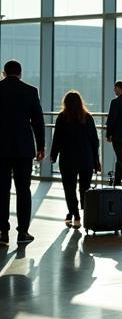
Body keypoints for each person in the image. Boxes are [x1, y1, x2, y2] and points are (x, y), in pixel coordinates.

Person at [0, 59, 45, 246]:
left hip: (0, 149)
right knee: (23, 190)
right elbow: (38, 122)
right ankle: (23, 232)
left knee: (1, 190)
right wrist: (40, 146)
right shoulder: (30, 91)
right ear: (20, 73)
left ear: (4, 73)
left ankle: (3, 232)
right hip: (23, 149)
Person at [50, 90, 100, 229]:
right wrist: (96, 160)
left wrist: (53, 155)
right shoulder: (87, 117)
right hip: (86, 159)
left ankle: (75, 215)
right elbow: (94, 141)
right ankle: (85, 214)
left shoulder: (62, 117)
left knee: (69, 189)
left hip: (68, 159)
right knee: (85, 188)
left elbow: (57, 139)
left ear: (65, 103)